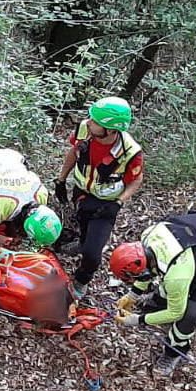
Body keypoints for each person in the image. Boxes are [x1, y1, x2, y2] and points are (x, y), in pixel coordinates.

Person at [110, 211, 196, 376]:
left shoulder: (177, 276)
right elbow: (147, 268)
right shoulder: (148, 236)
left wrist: (137, 320)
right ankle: (159, 301)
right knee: (171, 283)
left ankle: (174, 351)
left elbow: (175, 312)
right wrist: (133, 295)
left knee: (189, 313)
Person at [54, 96, 144, 297]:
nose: (89, 122)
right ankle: (81, 242)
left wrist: (118, 203)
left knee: (92, 254)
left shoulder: (130, 152)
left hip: (106, 204)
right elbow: (73, 152)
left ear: (111, 130)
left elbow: (136, 179)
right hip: (81, 192)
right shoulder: (85, 129)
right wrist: (61, 180)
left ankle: (81, 280)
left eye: (95, 121)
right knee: (83, 222)